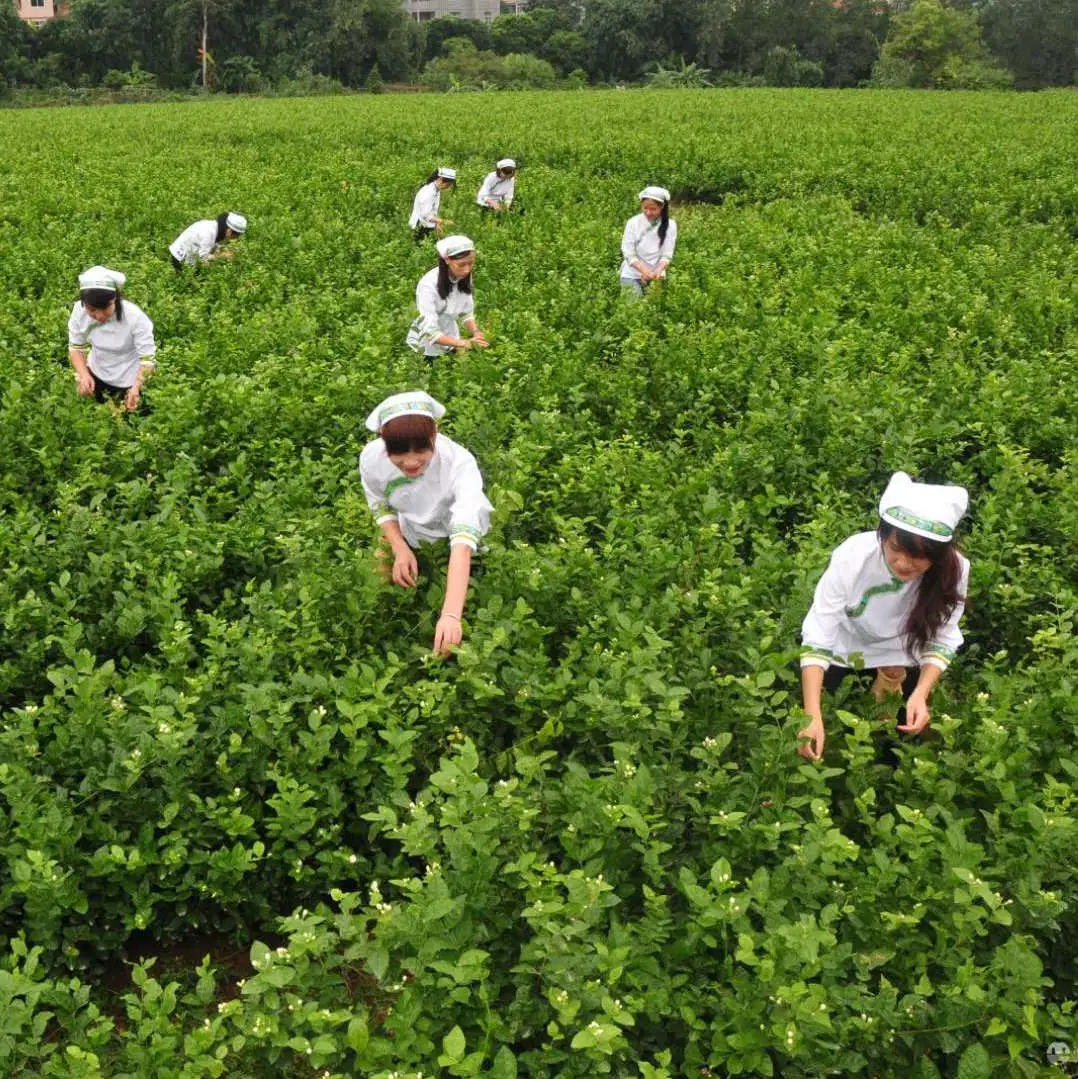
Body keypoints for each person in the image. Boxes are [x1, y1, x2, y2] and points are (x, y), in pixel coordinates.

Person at [797, 471, 970, 761]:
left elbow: (943, 635)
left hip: (903, 651)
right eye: (895, 549)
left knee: (901, 741)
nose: (903, 563)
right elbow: (820, 631)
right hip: (846, 646)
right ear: (883, 536)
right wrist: (810, 715)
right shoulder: (853, 556)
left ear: (939, 555)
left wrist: (921, 693)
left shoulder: (956, 570)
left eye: (919, 556)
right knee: (828, 722)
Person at [360, 391, 493, 656]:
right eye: (397, 452)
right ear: (382, 441)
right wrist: (399, 548)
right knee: (375, 588)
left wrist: (451, 615)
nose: (410, 462)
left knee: (474, 594)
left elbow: (463, 541)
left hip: (453, 531)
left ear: (435, 434)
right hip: (410, 526)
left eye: (421, 449)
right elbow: (380, 505)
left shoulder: (459, 465)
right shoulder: (371, 459)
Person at [67, 266, 156, 411]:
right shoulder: (79, 311)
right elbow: (76, 347)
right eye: (92, 309)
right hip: (96, 372)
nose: (99, 316)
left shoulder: (134, 317)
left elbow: (147, 359)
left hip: (129, 380)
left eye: (105, 308)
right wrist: (84, 375)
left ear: (115, 298)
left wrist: (137, 388)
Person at [405, 235, 489, 361]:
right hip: (426, 348)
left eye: (470, 263)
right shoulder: (428, 286)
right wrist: (464, 343)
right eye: (461, 264)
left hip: (452, 340)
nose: (467, 270)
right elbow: (430, 332)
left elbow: (466, 312)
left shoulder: (463, 275)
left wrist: (476, 332)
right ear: (447, 260)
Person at [619, 185, 677, 297]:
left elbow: (667, 254)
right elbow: (628, 252)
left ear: (662, 207)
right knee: (633, 308)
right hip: (632, 273)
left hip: (656, 274)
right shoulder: (633, 223)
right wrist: (645, 271)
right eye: (645, 208)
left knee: (653, 309)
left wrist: (657, 271)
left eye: (653, 209)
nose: (648, 212)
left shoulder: (670, 225)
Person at [169, 211, 247, 270]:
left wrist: (221, 249)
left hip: (184, 253)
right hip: (180, 260)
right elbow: (202, 259)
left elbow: (211, 246)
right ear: (229, 231)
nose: (236, 238)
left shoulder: (214, 226)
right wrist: (222, 256)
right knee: (209, 271)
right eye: (237, 235)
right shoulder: (209, 233)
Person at [409, 167, 456, 240]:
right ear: (440, 179)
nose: (447, 188)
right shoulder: (428, 192)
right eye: (447, 185)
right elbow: (425, 215)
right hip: (420, 226)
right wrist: (443, 221)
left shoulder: (436, 189)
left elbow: (433, 209)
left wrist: (437, 224)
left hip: (428, 224)